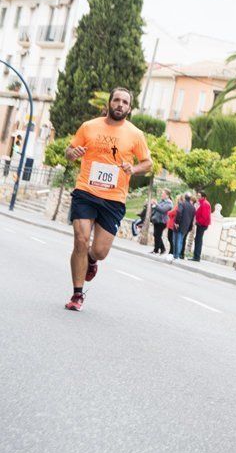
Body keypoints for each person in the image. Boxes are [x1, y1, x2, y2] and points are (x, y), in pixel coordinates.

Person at [63, 87, 152, 311]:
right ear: (109, 103)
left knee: (100, 251)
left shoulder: (135, 134)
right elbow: (70, 149)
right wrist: (72, 154)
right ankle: (77, 294)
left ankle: (91, 260)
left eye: (124, 102)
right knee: (80, 240)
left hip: (114, 198)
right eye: (117, 100)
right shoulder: (89, 126)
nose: (120, 104)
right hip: (86, 190)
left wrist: (134, 168)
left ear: (129, 108)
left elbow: (148, 163)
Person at [150, 189, 173, 254]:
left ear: (167, 195)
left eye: (163, 194)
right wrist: (153, 205)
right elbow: (156, 208)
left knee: (157, 235)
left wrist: (156, 204)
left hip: (162, 221)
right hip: (157, 220)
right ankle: (158, 249)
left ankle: (160, 249)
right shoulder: (162, 201)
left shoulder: (169, 203)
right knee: (156, 235)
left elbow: (163, 210)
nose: (161, 195)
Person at [191, 191, 211, 262]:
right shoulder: (202, 203)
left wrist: (198, 222)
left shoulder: (205, 204)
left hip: (202, 224)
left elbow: (205, 216)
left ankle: (196, 257)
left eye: (199, 196)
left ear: (203, 197)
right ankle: (196, 256)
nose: (197, 197)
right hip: (200, 224)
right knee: (197, 239)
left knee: (198, 240)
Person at [174, 192, 195, 259]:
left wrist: (177, 222)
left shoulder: (182, 204)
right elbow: (192, 218)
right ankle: (177, 254)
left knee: (177, 240)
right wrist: (190, 227)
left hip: (180, 224)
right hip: (186, 226)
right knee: (181, 240)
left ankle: (176, 255)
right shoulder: (193, 207)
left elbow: (179, 212)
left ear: (185, 197)